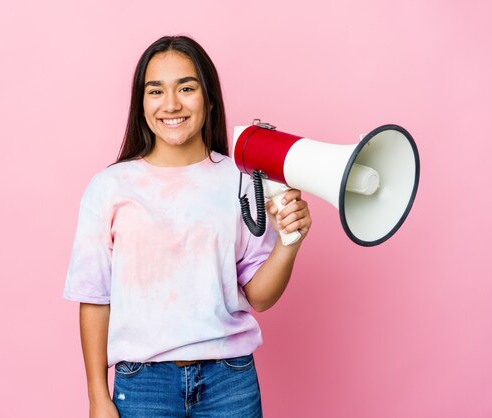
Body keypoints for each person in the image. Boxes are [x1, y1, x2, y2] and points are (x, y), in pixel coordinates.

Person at [63, 35, 312, 418]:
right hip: (143, 385)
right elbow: (95, 299)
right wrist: (98, 396)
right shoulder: (109, 187)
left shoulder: (241, 179)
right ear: (141, 103)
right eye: (156, 91)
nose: (172, 104)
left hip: (230, 381)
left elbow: (258, 296)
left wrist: (288, 244)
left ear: (208, 99)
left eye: (186, 88)